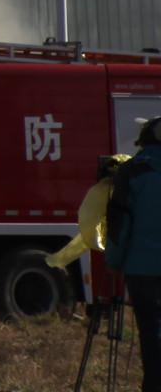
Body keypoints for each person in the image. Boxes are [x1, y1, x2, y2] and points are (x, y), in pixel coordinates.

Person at [100, 118, 161, 389]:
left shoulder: (131, 172)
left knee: (151, 332)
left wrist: (113, 261)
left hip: (142, 270)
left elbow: (119, 226)